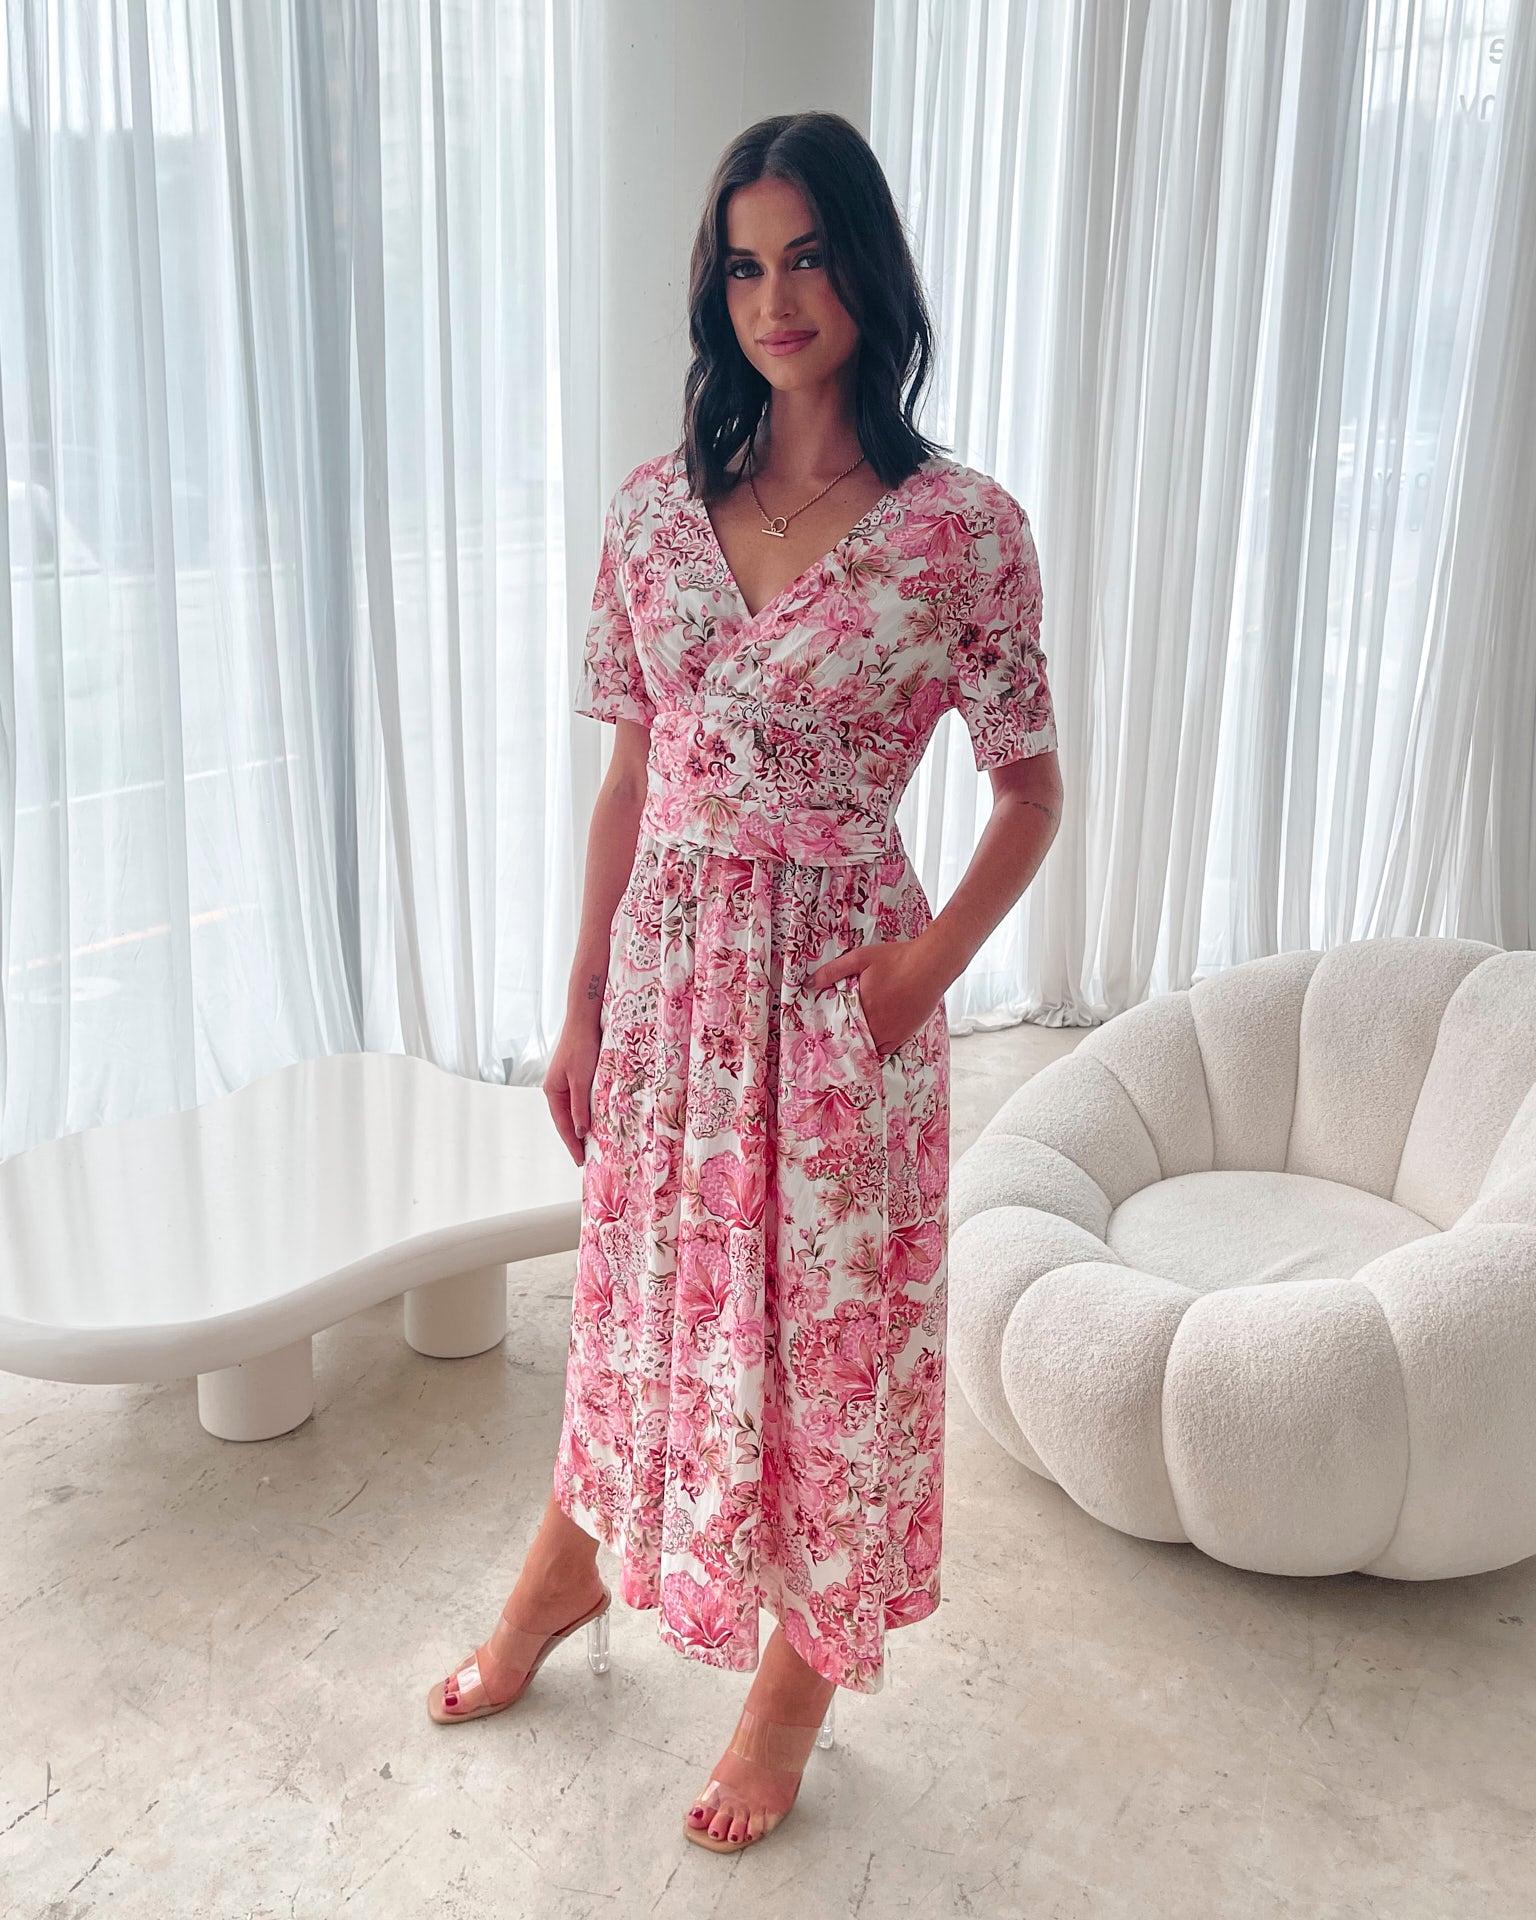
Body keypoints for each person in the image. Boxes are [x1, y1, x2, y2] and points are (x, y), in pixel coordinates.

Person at [425, 109, 1062, 1856]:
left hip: (839, 1000)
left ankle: (798, 1676)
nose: (775, 294)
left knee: (824, 1349)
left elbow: (1030, 793)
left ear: (868, 266)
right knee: (637, 1308)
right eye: (743, 260)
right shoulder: (655, 510)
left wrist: (920, 978)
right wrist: (579, 1003)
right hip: (669, 993)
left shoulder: (962, 534)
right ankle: (565, 1572)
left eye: (807, 253)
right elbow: (631, 778)